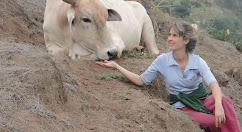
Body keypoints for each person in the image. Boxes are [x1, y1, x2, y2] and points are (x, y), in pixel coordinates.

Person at [96, 22, 241, 132]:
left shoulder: (197, 61)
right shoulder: (162, 61)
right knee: (214, 122)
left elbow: (214, 85)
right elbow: (141, 80)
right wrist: (117, 66)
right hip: (182, 106)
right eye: (169, 35)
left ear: (185, 40)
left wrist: (219, 106)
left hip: (201, 99)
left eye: (175, 36)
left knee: (224, 101)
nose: (169, 39)